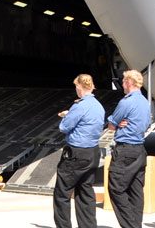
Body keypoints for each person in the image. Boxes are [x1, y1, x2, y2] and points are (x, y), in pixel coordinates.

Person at [53, 73, 105, 228]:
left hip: (76, 154)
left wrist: (66, 116)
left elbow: (64, 127)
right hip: (92, 152)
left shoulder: (79, 106)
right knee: (85, 192)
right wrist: (71, 115)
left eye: (76, 86)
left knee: (62, 193)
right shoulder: (98, 105)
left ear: (79, 87)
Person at [106, 69, 151, 228]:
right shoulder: (145, 102)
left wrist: (118, 124)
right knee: (136, 190)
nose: (122, 84)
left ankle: (130, 225)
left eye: (124, 81)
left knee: (116, 189)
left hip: (125, 150)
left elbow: (111, 125)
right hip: (139, 149)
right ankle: (136, 224)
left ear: (129, 83)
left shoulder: (126, 102)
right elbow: (146, 125)